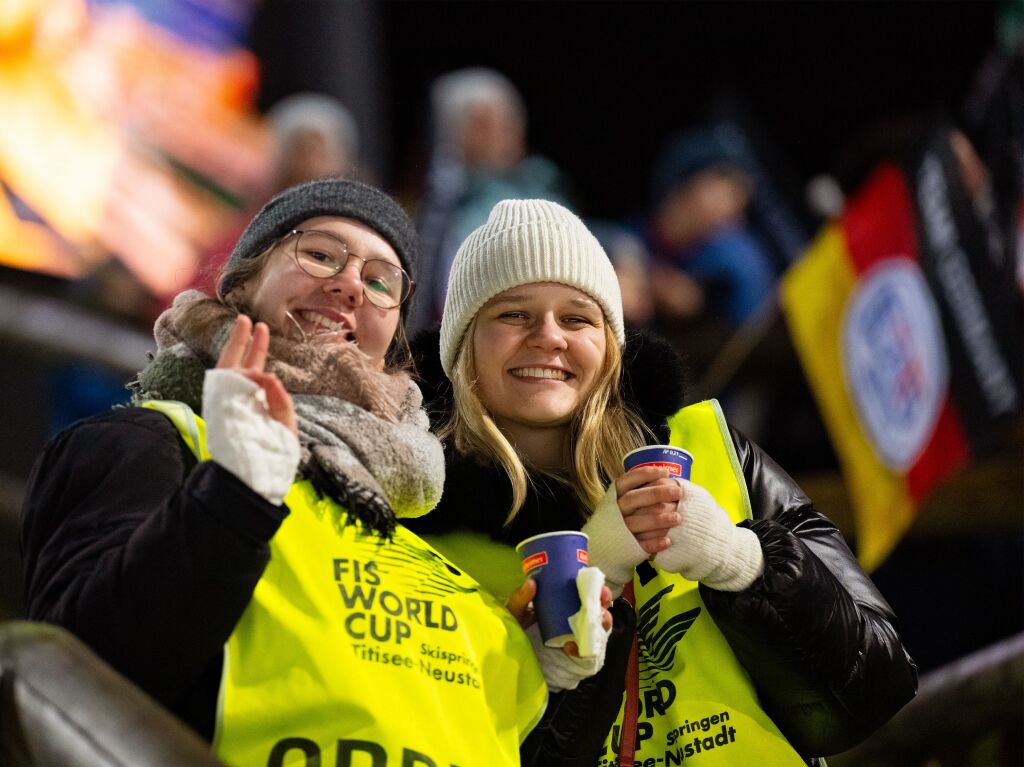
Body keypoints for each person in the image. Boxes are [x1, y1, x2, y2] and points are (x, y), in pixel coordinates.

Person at [20, 179, 611, 766]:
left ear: (394, 342)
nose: (351, 283)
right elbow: (67, 686)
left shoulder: (423, 535)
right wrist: (230, 499)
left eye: (381, 282)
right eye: (321, 254)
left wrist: (534, 677)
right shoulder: (152, 446)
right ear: (243, 282)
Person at [407, 199, 919, 766]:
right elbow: (436, 741)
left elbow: (877, 686)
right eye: (513, 315)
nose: (548, 337)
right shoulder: (419, 524)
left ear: (610, 345)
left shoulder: (713, 450)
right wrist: (581, 592)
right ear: (462, 346)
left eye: (576, 317)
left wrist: (742, 562)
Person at [409, 67, 570, 334]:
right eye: (482, 125)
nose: (499, 134)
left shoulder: (547, 196)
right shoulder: (434, 204)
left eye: (506, 121)